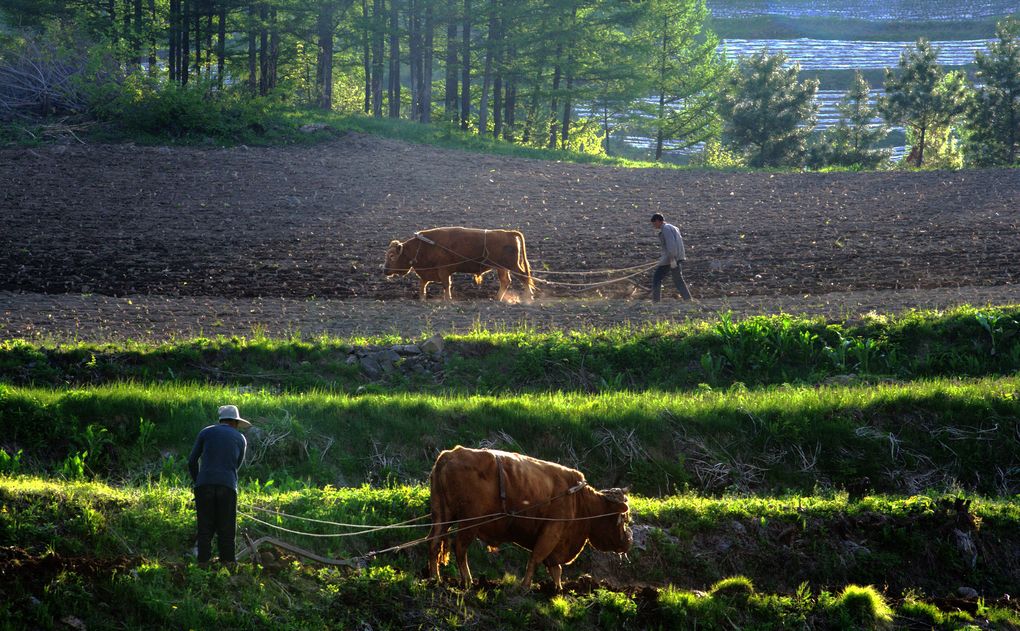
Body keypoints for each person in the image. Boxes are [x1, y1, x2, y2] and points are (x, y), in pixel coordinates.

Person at [188, 404, 250, 564]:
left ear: (221, 420)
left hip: (204, 484)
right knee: (227, 529)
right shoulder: (240, 438)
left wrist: (198, 482)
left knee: (205, 528)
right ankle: (227, 565)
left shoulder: (206, 432)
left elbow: (192, 461)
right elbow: (237, 465)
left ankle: (203, 564)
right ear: (235, 423)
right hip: (227, 485)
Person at [649, 213, 693, 302]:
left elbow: (671, 244)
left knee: (657, 278)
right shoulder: (672, 227)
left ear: (658, 221)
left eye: (654, 223)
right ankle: (688, 299)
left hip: (670, 259)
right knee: (678, 280)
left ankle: (655, 301)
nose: (653, 226)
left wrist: (671, 258)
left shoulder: (665, 229)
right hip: (677, 257)